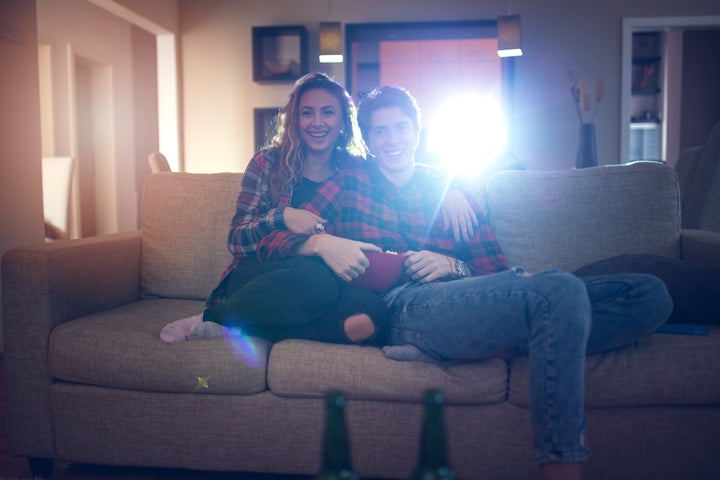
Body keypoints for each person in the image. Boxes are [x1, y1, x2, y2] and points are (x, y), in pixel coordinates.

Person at [259, 85, 673, 480]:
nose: (391, 139)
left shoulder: (451, 188)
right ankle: (561, 463)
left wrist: (452, 266)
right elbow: (277, 237)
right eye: (379, 131)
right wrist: (319, 242)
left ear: (417, 131)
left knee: (649, 293)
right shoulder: (348, 183)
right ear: (367, 139)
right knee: (559, 291)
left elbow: (494, 273)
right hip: (404, 306)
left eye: (400, 127)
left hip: (467, 300)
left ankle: (493, 345)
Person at [161, 73, 474, 346]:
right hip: (264, 275)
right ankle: (213, 316)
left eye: (328, 112)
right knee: (317, 279)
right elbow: (237, 240)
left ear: (342, 121)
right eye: (307, 113)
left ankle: (251, 330)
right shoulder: (266, 164)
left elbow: (401, 162)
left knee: (372, 314)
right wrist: (282, 216)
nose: (317, 122)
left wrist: (449, 186)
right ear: (294, 119)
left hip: (329, 278)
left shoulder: (353, 168)